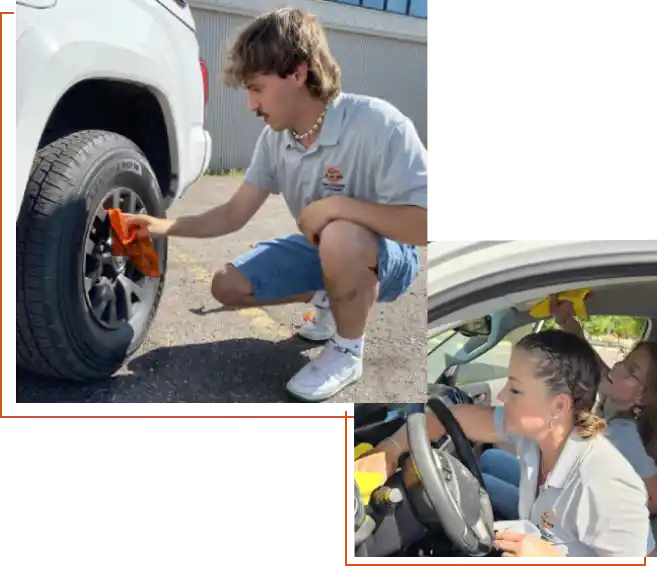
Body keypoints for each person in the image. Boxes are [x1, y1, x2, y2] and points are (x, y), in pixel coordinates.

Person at [122, 8, 430, 402]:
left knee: (340, 233)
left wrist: (338, 206)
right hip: (326, 247)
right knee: (227, 285)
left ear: (298, 74)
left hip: (391, 255)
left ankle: (347, 350)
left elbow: (423, 226)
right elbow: (233, 213)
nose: (252, 105)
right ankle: (331, 296)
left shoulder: (379, 124)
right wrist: (163, 225)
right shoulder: (276, 140)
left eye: (257, 88)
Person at [364, 329, 655, 560]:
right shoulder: (538, 434)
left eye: (515, 389)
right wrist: (390, 447)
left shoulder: (605, 482)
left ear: (559, 405)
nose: (502, 395)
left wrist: (552, 559)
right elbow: (448, 418)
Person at [480, 297, 657, 521]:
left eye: (631, 370)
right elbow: (596, 367)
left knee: (482, 484)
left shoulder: (623, 434)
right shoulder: (611, 402)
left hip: (557, 515)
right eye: (624, 359)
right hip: (554, 484)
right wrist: (568, 322)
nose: (619, 367)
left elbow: (653, 499)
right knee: (491, 458)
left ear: (641, 396)